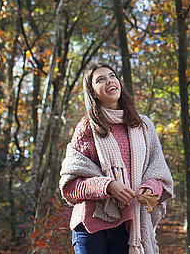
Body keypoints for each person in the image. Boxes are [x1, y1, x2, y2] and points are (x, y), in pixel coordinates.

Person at [59, 63, 173, 254]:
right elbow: (70, 185)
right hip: (90, 223)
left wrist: (150, 188)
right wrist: (108, 186)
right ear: (93, 92)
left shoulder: (143, 125)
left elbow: (160, 174)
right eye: (100, 79)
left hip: (130, 222)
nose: (109, 81)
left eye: (112, 76)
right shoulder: (87, 128)